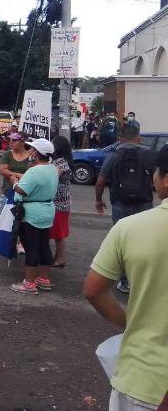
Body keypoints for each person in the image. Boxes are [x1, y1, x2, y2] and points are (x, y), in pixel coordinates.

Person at [83, 147, 168, 411]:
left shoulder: (130, 228)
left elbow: (94, 290)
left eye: (155, 171)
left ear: (166, 180)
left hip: (144, 379)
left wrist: (132, 322)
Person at [94, 123, 155, 293]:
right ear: (139, 138)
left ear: (120, 138)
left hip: (120, 204)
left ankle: (125, 281)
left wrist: (98, 201)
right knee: (144, 241)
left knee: (123, 242)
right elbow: (158, 178)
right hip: (144, 204)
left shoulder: (113, 155)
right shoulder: (148, 155)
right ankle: (141, 279)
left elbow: (100, 182)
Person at [9, 138, 59, 294]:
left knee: (31, 247)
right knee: (44, 245)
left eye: (32, 150)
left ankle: (29, 284)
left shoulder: (34, 171)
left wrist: (14, 182)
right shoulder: (53, 169)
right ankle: (44, 279)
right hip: (47, 210)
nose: (30, 152)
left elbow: (22, 190)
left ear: (37, 153)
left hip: (31, 213)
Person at [0, 132, 32, 253]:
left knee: (24, 218)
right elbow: (2, 170)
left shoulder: (31, 155)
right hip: (8, 190)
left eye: (14, 140)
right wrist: (18, 175)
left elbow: (34, 172)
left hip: (24, 192)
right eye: (10, 140)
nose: (11, 142)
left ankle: (21, 242)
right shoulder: (7, 154)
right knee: (2, 216)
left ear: (22, 142)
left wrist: (23, 176)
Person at [49, 135, 73, 268]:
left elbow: (51, 177)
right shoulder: (63, 161)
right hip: (63, 203)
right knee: (59, 234)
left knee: (57, 234)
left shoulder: (60, 163)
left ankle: (59, 259)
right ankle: (58, 258)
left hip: (58, 204)